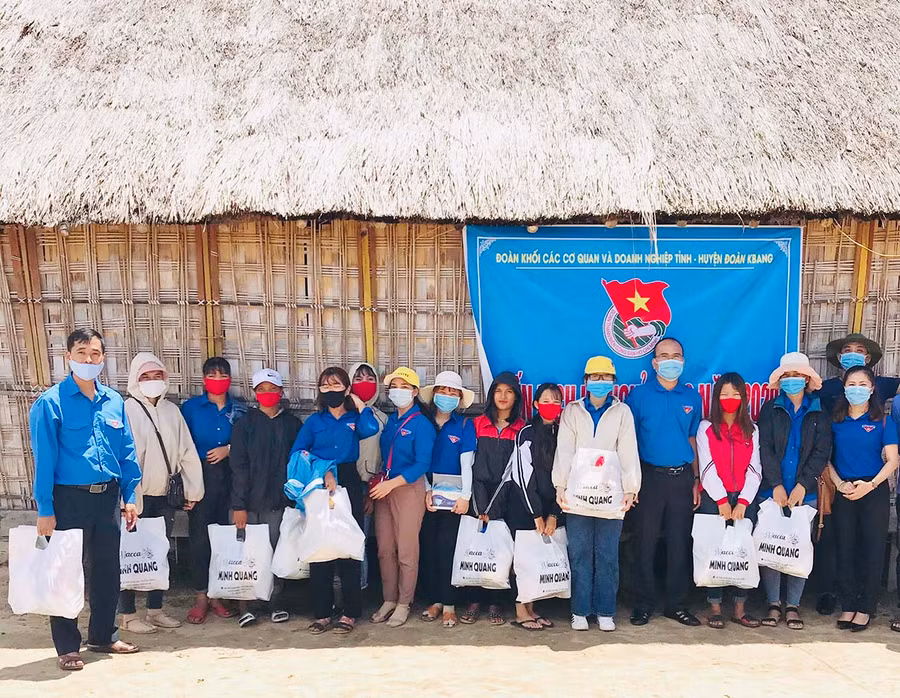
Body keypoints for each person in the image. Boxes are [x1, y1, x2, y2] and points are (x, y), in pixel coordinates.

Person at [29, 329, 142, 670]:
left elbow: (126, 452)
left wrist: (130, 495)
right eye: (81, 353)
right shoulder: (50, 403)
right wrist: (45, 509)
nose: (88, 360)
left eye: (95, 354)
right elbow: (44, 460)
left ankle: (103, 636)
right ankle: (67, 646)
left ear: (103, 359)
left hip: (106, 496)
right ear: (68, 357)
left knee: (107, 571)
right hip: (68, 499)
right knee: (65, 571)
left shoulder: (113, 401)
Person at [814, 333, 900, 615]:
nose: (857, 389)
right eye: (852, 384)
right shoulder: (835, 421)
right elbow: (826, 457)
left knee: (872, 551)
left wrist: (872, 484)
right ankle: (849, 605)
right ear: (844, 387)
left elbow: (893, 459)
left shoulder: (880, 421)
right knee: (845, 549)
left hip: (873, 491)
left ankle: (866, 608)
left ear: (873, 388)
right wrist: (839, 484)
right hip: (844, 491)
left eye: (863, 384)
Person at [553, 358, 641, 632]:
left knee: (607, 554)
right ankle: (580, 610)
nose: (600, 382)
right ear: (586, 380)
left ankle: (605, 610)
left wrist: (631, 489)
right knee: (579, 552)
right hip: (577, 496)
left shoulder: (622, 412)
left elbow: (628, 452)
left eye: (606, 377)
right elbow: (564, 451)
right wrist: (560, 485)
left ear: (614, 382)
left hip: (610, 496)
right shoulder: (572, 411)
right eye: (595, 377)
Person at [120, 353, 204, 633]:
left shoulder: (171, 411)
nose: (152, 381)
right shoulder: (126, 410)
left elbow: (186, 452)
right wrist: (126, 497)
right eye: (145, 376)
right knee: (130, 555)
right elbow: (122, 457)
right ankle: (129, 615)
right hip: (135, 499)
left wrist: (192, 489)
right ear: (135, 379)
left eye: (157, 376)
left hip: (164, 497)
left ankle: (155, 610)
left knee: (158, 553)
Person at [291, 367, 379, 635]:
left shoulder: (355, 419)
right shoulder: (314, 422)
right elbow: (298, 452)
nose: (331, 391)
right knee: (322, 547)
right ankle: (323, 612)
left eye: (336, 385)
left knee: (348, 544)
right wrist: (324, 469)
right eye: (325, 386)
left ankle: (351, 613)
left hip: (350, 481)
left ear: (346, 388)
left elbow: (372, 428)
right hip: (320, 485)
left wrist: (359, 402)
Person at [626, 337, 702, 627]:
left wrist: (695, 479)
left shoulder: (691, 398)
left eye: (676, 356)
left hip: (682, 479)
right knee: (644, 543)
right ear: (654, 362)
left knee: (678, 542)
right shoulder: (639, 396)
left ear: (683, 361)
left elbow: (693, 439)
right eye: (664, 356)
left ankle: (676, 604)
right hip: (649, 479)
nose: (671, 360)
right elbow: (629, 442)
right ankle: (643, 604)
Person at [757, 352, 830, 630]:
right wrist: (775, 484)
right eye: (787, 376)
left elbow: (822, 452)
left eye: (797, 375)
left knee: (798, 548)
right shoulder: (770, 409)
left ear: (808, 379)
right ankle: (774, 603)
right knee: (772, 545)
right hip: (772, 492)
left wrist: (802, 485)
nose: (792, 381)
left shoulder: (819, 411)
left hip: (805, 494)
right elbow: (765, 450)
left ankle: (794, 606)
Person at [229, 368, 303, 627]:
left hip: (279, 503)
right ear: (254, 393)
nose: (267, 394)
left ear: (281, 392)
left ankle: (276, 602)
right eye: (262, 389)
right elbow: (238, 467)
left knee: (276, 552)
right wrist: (238, 505)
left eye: (273, 389)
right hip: (247, 504)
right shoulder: (244, 425)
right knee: (248, 554)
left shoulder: (293, 425)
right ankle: (247, 605)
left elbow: (298, 464)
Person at [181, 356, 247, 624]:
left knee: (226, 538)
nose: (217, 381)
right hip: (200, 477)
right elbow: (181, 443)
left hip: (232, 479)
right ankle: (200, 596)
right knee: (199, 539)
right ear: (203, 379)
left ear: (230, 379)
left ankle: (218, 594)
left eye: (222, 376)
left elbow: (247, 444)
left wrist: (228, 450)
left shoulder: (240, 410)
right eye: (212, 375)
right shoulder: (191, 408)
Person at [370, 367, 437, 627]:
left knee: (407, 550)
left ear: (415, 392)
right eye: (393, 386)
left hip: (407, 488)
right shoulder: (391, 421)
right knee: (385, 548)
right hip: (384, 488)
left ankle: (404, 602)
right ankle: (389, 598)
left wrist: (393, 484)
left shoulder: (422, 423)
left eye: (403, 386)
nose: (397, 391)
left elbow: (422, 463)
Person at [696, 372, 762, 629]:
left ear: (744, 397)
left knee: (743, 550)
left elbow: (756, 469)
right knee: (715, 550)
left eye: (735, 394)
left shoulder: (753, 430)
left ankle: (739, 607)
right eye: (724, 394)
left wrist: (743, 501)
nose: (730, 398)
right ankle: (714, 607)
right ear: (716, 397)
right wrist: (722, 499)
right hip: (715, 498)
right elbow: (706, 465)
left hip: (745, 498)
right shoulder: (706, 428)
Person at [461, 371, 525, 626]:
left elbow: (518, 471)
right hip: (477, 497)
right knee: (476, 549)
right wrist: (479, 505)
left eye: (509, 391)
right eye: (498, 390)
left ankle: (496, 603)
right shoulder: (476, 424)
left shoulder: (522, 429)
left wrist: (496, 507)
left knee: (500, 551)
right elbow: (470, 466)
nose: (503, 396)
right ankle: (474, 601)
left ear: (516, 397)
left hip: (507, 498)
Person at [419, 371, 477, 628]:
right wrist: (427, 489)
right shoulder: (423, 422)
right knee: (429, 549)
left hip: (455, 501)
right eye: (443, 391)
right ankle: (435, 601)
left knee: (448, 550)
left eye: (453, 392)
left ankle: (450, 604)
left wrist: (466, 496)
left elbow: (468, 464)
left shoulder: (464, 426)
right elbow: (420, 461)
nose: (448, 396)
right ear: (434, 394)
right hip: (428, 495)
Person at [349, 362, 389, 590]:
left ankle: (358, 589)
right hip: (339, 486)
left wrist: (372, 494)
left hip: (368, 487)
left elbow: (385, 459)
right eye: (359, 378)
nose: (365, 383)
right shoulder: (339, 415)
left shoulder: (382, 419)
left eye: (370, 378)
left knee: (360, 539)